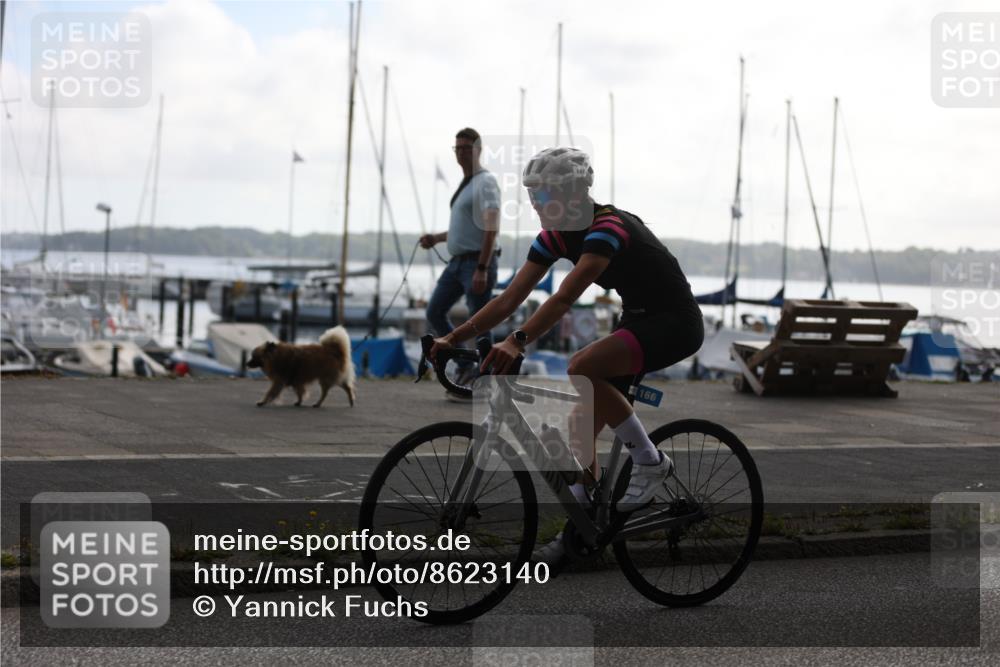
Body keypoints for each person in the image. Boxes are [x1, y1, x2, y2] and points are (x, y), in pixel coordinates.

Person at [429, 146, 704, 567]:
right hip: (637, 319)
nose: (536, 206)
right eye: (532, 197)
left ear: (574, 194)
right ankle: (582, 532)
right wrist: (453, 337)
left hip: (674, 322)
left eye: (542, 197)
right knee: (579, 427)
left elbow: (563, 297)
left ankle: (650, 461)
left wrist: (517, 341)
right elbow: (508, 300)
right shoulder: (555, 236)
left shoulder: (607, 228)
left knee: (581, 366)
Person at [421, 128, 501, 394]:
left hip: (476, 263)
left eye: (467, 148)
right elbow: (463, 230)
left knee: (479, 321)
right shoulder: (466, 184)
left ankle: (485, 378)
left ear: (478, 150)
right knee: (434, 311)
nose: (462, 153)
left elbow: (492, 226)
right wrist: (437, 238)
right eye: (458, 148)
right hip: (456, 263)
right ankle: (465, 364)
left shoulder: (486, 182)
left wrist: (482, 266)